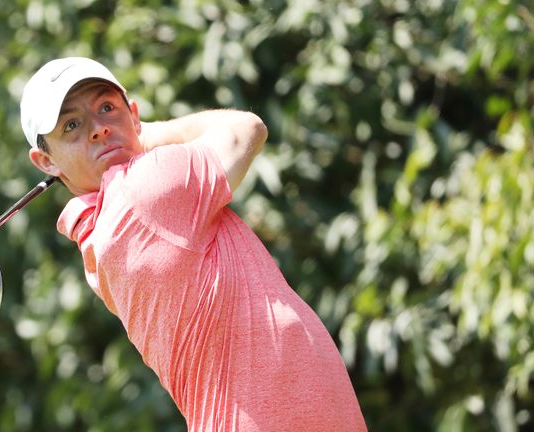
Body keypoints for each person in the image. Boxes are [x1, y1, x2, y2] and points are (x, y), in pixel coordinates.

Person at [20, 57, 367, 431]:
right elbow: (245, 128)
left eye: (107, 108)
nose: (99, 129)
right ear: (45, 161)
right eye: (72, 125)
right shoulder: (142, 188)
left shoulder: (95, 232)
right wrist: (145, 132)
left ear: (130, 113)